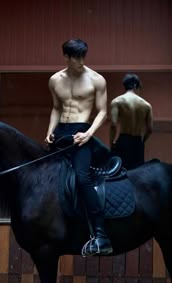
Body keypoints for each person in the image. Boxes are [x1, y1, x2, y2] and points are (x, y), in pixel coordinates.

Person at [45, 38, 113, 256]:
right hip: (61, 132)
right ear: (66, 57)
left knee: (82, 178)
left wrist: (89, 134)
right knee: (45, 176)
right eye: (77, 57)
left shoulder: (96, 80)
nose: (81, 61)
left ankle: (101, 236)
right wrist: (49, 132)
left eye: (84, 56)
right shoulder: (55, 80)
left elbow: (103, 111)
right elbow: (56, 107)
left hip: (82, 132)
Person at [110, 73, 153, 170]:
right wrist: (142, 142)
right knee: (137, 173)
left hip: (124, 140)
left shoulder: (117, 101)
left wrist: (112, 143)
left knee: (120, 171)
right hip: (137, 142)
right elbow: (150, 130)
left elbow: (113, 125)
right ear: (135, 85)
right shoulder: (146, 105)